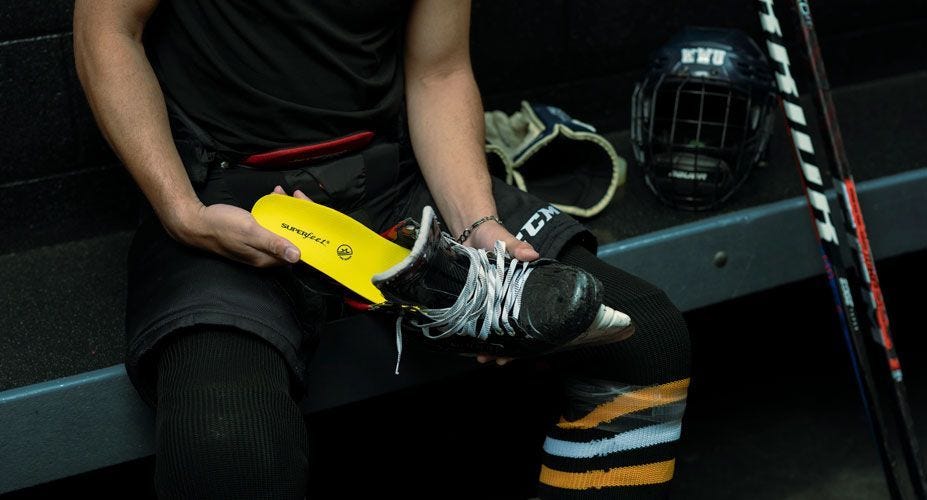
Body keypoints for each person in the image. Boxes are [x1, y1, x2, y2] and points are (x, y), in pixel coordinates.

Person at [73, 1, 691, 498]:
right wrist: (182, 211)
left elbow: (439, 70)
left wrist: (476, 224)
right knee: (230, 451)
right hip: (228, 200)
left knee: (645, 337)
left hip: (390, 182)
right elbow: (105, 28)